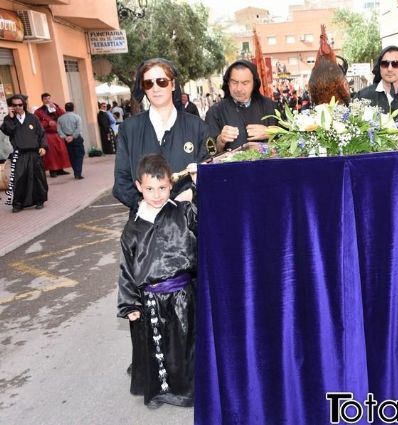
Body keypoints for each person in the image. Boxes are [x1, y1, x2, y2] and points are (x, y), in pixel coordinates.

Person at [117, 153, 197, 409]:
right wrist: (130, 304)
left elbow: (210, 217)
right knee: (155, 347)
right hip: (149, 298)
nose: (157, 194)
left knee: (184, 346)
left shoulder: (183, 213)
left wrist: (199, 184)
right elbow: (127, 267)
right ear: (139, 187)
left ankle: (186, 391)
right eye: (150, 188)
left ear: (171, 185)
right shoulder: (133, 226)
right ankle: (158, 392)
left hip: (183, 295)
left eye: (162, 188)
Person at [113, 57, 212, 211]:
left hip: (190, 225)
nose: (155, 88)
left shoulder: (197, 126)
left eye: (162, 81)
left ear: (172, 85)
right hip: (146, 228)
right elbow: (121, 182)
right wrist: (143, 205)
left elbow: (210, 175)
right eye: (148, 83)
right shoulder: (129, 129)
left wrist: (191, 194)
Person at [205, 60, 279, 153]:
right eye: (234, 82)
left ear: (254, 84)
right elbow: (209, 152)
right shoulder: (215, 112)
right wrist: (220, 140)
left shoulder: (270, 106)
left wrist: (271, 132)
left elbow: (290, 141)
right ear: (228, 83)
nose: (239, 89)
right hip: (232, 167)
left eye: (245, 83)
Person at [1, 94, 48, 212]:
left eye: (20, 104)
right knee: (19, 178)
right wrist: (11, 117)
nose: (18, 107)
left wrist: (43, 146)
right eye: (15, 105)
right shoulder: (8, 120)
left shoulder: (32, 118)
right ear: (11, 106)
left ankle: (39, 200)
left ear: (24, 104)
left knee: (37, 178)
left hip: (34, 153)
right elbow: (8, 131)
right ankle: (18, 204)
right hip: (19, 153)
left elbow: (41, 133)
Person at [34, 92, 72, 177]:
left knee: (61, 151)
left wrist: (56, 108)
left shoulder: (55, 107)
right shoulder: (38, 111)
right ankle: (53, 170)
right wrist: (47, 123)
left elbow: (63, 116)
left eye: (49, 98)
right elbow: (37, 124)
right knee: (51, 154)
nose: (47, 100)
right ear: (42, 100)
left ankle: (61, 169)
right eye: (45, 99)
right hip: (48, 134)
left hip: (58, 133)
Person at [57, 102, 86, 180]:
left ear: (65, 108)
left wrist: (65, 137)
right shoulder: (77, 117)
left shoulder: (60, 118)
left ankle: (76, 172)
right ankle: (78, 173)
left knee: (72, 156)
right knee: (79, 155)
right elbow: (79, 128)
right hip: (76, 138)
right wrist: (73, 136)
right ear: (73, 108)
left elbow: (59, 130)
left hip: (67, 139)